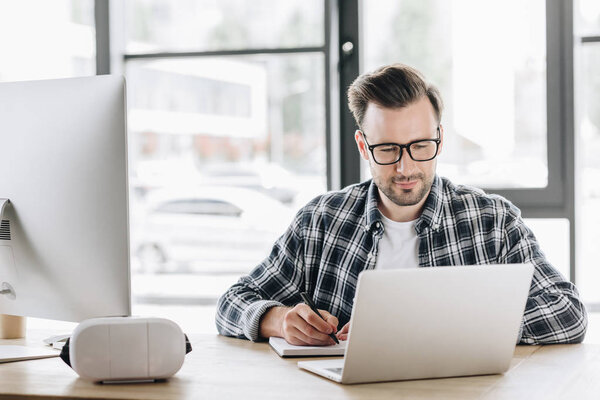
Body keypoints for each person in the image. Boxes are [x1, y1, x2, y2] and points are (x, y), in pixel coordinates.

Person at [215, 63, 587, 346]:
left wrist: (447, 330)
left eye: (420, 146)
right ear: (364, 147)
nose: (406, 167)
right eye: (388, 149)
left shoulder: (492, 221)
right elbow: (232, 303)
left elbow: (568, 312)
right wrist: (277, 320)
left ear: (439, 139)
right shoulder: (320, 221)